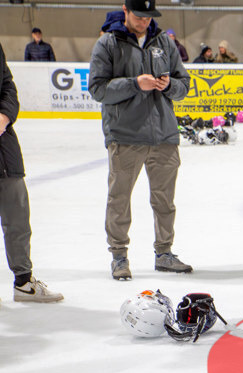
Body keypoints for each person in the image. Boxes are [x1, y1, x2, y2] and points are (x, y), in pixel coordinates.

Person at [88, 0, 192, 279]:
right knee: (119, 199)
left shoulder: (164, 42)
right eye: (139, 16)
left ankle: (164, 253)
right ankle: (119, 256)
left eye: (148, 16)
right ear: (126, 10)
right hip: (125, 137)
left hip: (164, 135)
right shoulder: (108, 43)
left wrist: (170, 85)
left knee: (165, 201)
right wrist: (135, 84)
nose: (144, 21)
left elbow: (184, 84)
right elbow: (98, 89)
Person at [0, 42, 63, 304]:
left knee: (18, 220)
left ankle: (24, 283)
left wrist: (4, 116)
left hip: (5, 153)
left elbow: (7, 86)